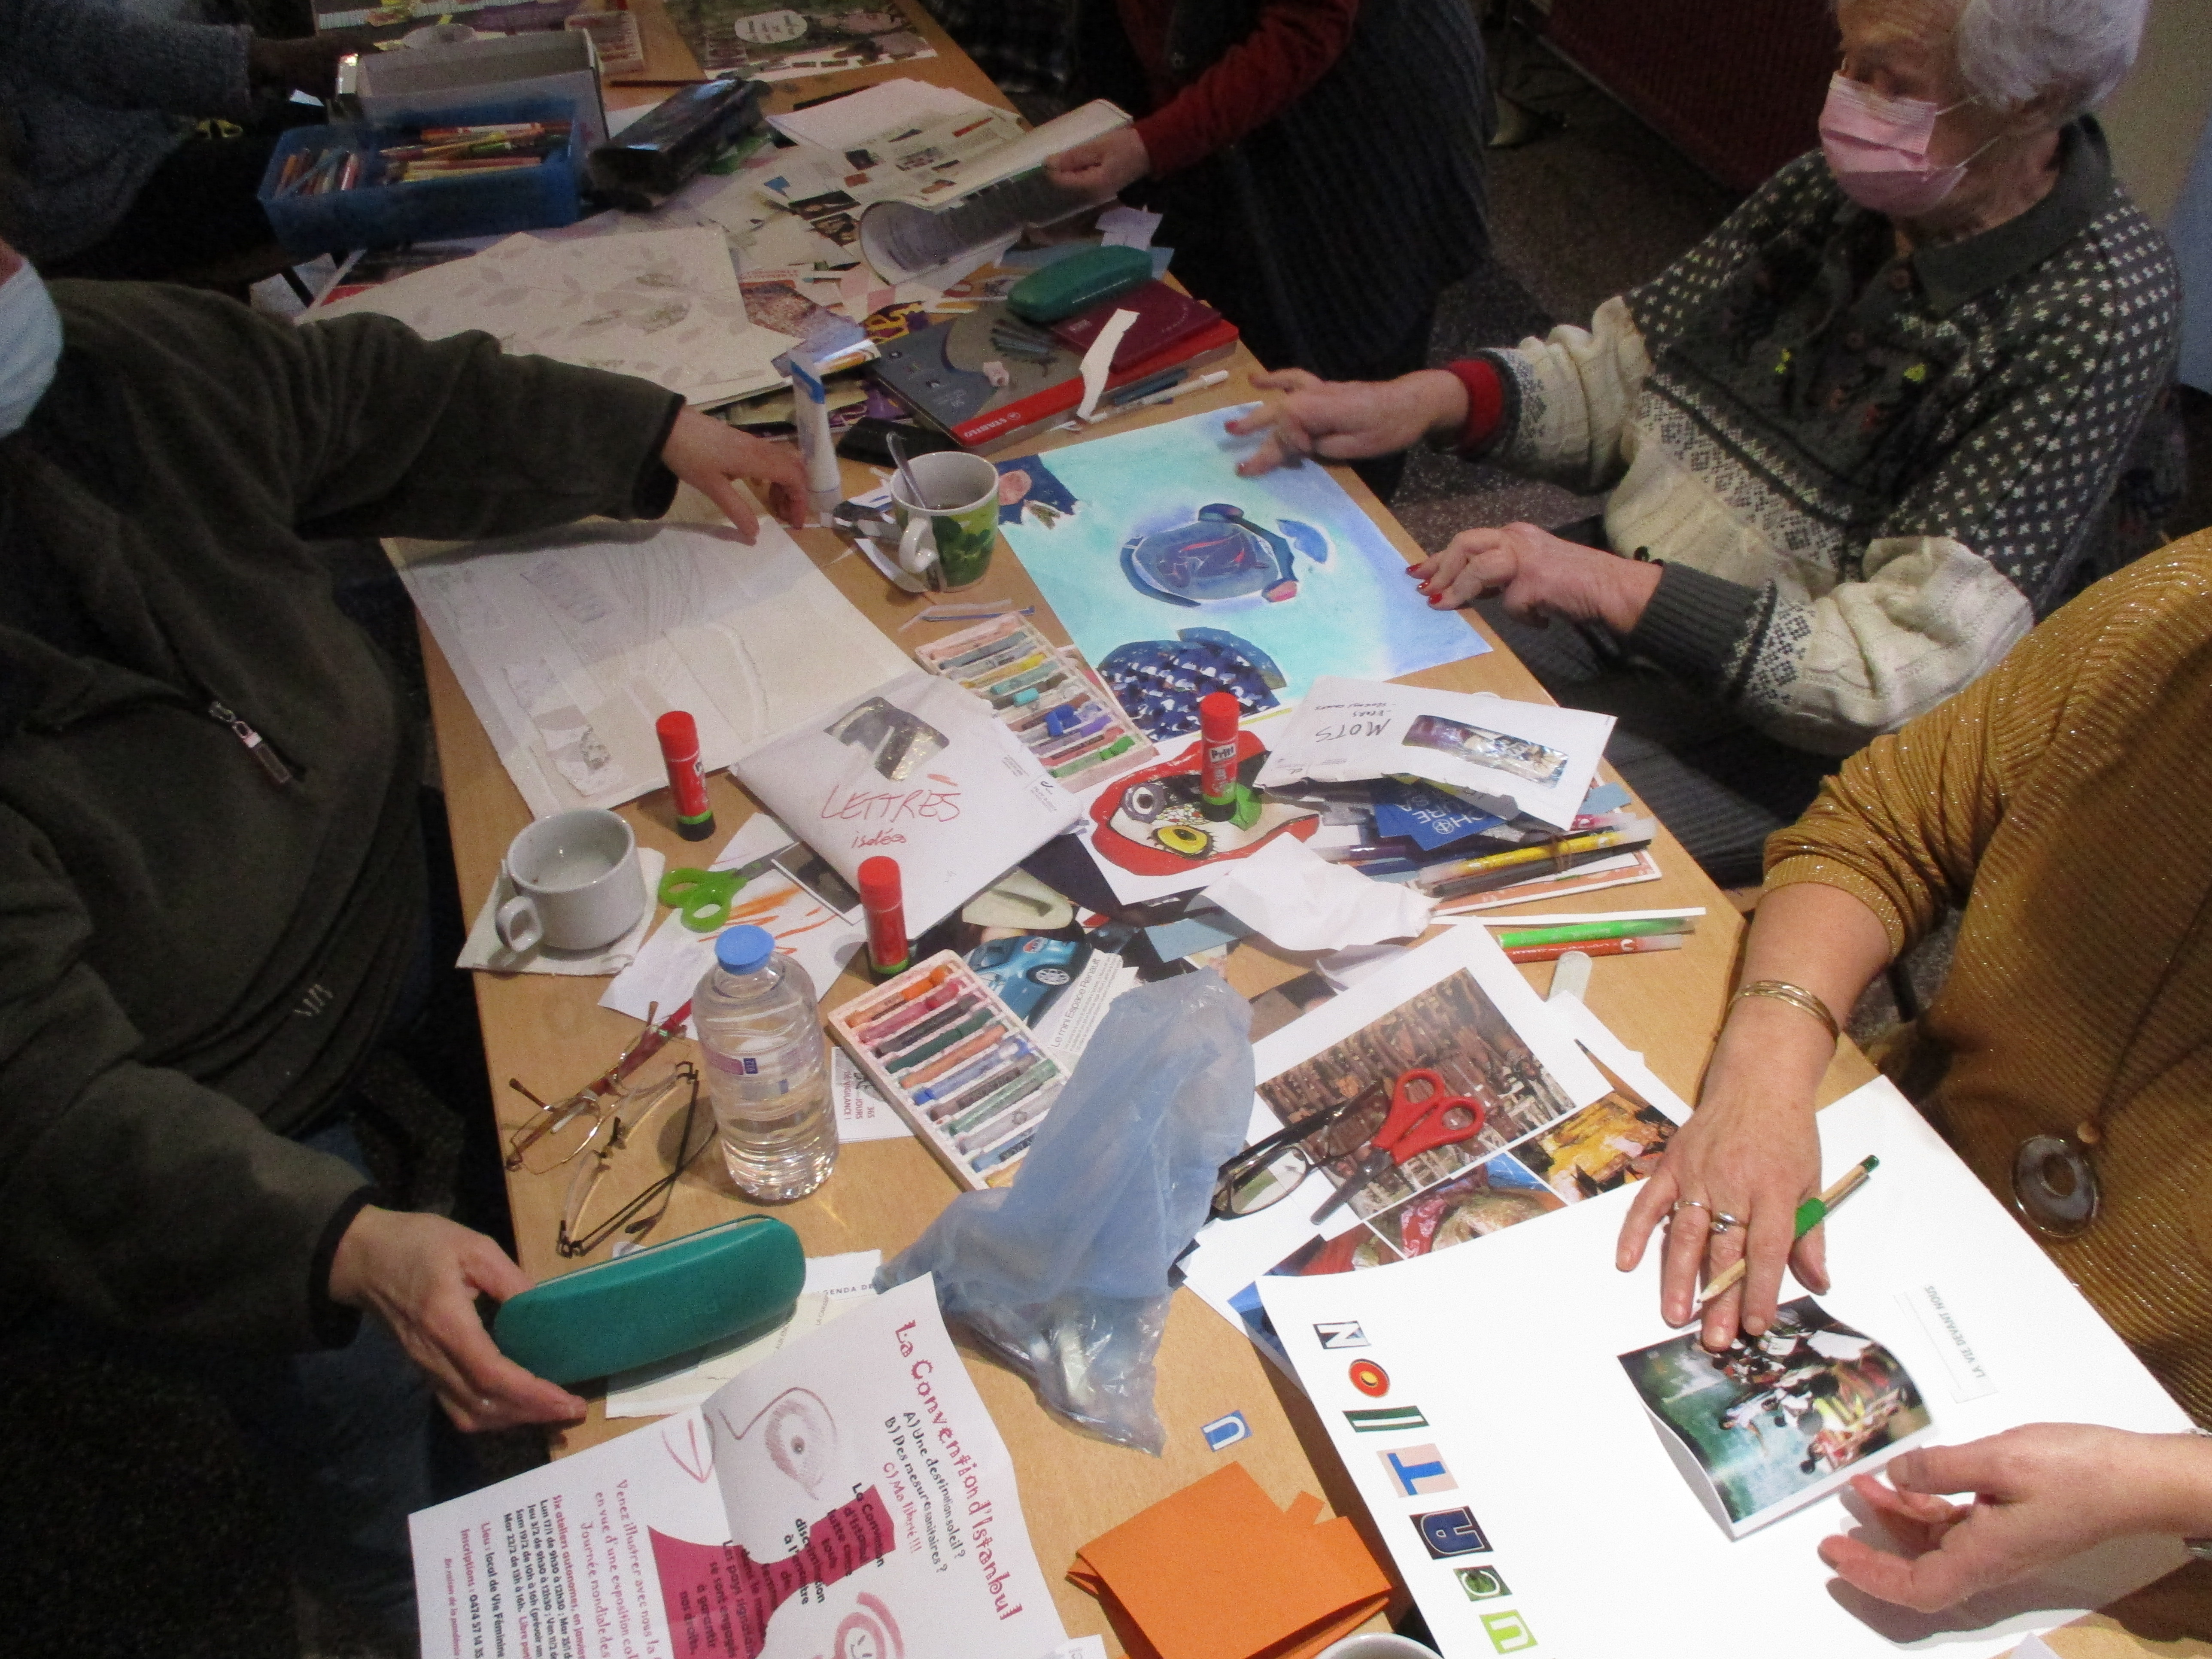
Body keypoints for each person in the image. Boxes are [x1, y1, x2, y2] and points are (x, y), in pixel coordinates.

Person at [0, 237, 806, 1634]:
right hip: (204, 1103)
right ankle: (399, 1605)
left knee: (633, 1049)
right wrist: (340, 1242)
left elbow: (373, 400)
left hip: (374, 901)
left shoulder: (111, 357)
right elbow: (46, 1107)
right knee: (377, 1438)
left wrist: (645, 433)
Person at [1232, 0, 2181, 883]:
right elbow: (1626, 377)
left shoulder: (2094, 314)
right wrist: (1429, 401)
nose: (1847, 97)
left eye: (1891, 79)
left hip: (1811, 742)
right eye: (1846, 58)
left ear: (2035, 100)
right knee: (1310, 714)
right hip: (1640, 601)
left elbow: (1889, 674)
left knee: (1396, 850)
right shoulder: (1839, 192)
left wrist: (1605, 584)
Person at [1613, 531, 2212, 1612]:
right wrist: (1765, 1067)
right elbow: (1885, 823)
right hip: (1901, 1203)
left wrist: (2172, 1485)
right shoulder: (2177, 614)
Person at [1044, 0, 1490, 496]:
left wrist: (1151, 146)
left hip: (1358, 125)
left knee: (1337, 389)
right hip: (1224, 111)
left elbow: (1308, 29)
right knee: (1217, 362)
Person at [0, 0, 366, 281]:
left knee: (366, 131)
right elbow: (97, 46)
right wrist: (269, 58)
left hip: (168, 124)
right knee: (366, 165)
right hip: (99, 195)